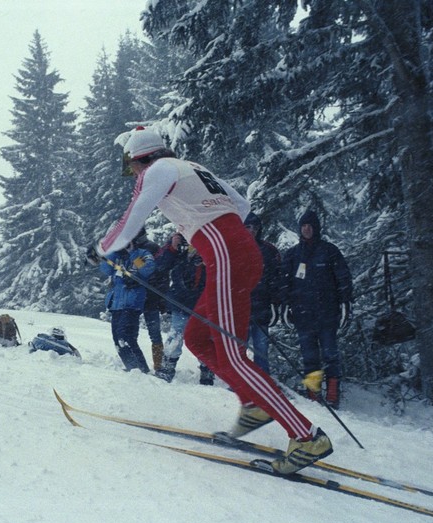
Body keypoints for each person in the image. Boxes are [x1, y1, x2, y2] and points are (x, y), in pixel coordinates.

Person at [89, 127, 332, 474]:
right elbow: (243, 206)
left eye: (132, 168)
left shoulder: (157, 170)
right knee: (198, 338)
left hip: (226, 255)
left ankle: (306, 436)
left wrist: (99, 248)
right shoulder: (190, 166)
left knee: (232, 357)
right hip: (235, 253)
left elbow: (131, 221)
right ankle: (253, 403)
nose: (134, 175)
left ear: (142, 159)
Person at [279, 210, 353, 408]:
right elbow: (284, 283)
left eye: (310, 226)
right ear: (300, 229)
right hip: (303, 315)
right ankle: (313, 396)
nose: (307, 229)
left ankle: (332, 395)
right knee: (309, 357)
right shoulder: (293, 254)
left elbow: (343, 279)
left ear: (316, 228)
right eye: (304, 226)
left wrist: (345, 304)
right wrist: (285, 306)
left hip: (327, 314)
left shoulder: (329, 251)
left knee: (330, 355)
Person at [153, 232, 214, 385]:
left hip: (204, 303)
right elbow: (160, 265)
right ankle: (167, 368)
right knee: (176, 335)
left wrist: (210, 262)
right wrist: (173, 247)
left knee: (204, 338)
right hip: (181, 300)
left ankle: (207, 371)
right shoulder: (179, 248)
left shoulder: (213, 247)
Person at [90, 235, 156, 373]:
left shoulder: (143, 254)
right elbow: (106, 269)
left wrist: (133, 254)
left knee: (125, 336)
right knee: (117, 338)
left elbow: (148, 269)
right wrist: (112, 251)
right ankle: (132, 367)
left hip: (132, 303)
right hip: (117, 303)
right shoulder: (116, 257)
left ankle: (140, 369)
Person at [244, 212, 282, 375]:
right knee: (239, 347)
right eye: (248, 227)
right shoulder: (234, 247)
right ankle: (241, 379)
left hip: (262, 307)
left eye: (255, 227)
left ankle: (262, 379)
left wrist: (275, 303)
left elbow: (277, 278)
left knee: (261, 348)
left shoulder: (269, 250)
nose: (252, 230)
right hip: (241, 307)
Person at [134, 228, 167, 370]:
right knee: (131, 332)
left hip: (151, 296)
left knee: (154, 333)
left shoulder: (152, 248)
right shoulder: (128, 249)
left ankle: (158, 365)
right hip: (135, 296)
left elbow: (160, 272)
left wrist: (161, 297)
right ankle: (136, 363)